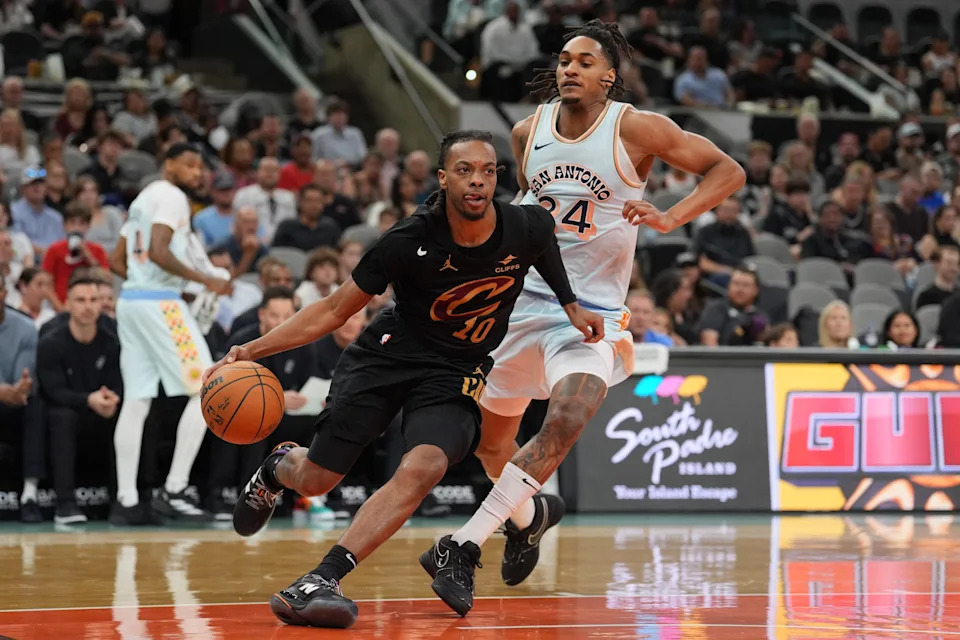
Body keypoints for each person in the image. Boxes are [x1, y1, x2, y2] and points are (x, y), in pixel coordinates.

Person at [202, 130, 602, 629]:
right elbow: (331, 310)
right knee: (319, 478)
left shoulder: (528, 225)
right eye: (464, 171)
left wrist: (571, 304)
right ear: (443, 178)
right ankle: (278, 468)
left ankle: (321, 578)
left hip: (455, 370)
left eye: (487, 171)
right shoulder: (407, 240)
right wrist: (249, 350)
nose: (477, 181)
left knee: (427, 463)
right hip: (387, 358)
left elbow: (545, 253)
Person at [422, 21, 745, 616]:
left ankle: (462, 546)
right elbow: (530, 214)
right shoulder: (528, 131)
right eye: (564, 60)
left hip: (590, 312)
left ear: (608, 76)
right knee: (494, 446)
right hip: (521, 304)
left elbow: (728, 171)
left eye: (584, 61)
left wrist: (672, 218)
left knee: (568, 414)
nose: (569, 69)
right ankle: (531, 516)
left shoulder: (636, 127)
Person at [108, 143, 232, 525]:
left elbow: (117, 261)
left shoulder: (143, 198)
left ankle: (126, 501)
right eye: (189, 165)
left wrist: (153, 280)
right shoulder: (173, 197)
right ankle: (174, 490)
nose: (197, 173)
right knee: (207, 388)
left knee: (137, 400)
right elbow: (160, 251)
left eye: (200, 168)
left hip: (130, 302)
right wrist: (204, 279)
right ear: (169, 165)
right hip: (161, 304)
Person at [205, 286, 315, 519]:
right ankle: (229, 495)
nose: (281, 322)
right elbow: (231, 391)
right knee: (253, 421)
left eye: (287, 316)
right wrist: (279, 399)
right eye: (275, 315)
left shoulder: (302, 344)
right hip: (243, 411)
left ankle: (308, 496)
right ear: (261, 314)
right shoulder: (242, 342)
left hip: (287, 415)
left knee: (320, 423)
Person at [37, 275, 121, 524]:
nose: (88, 306)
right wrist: (88, 400)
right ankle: (65, 504)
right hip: (68, 410)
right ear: (68, 304)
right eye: (81, 300)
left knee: (130, 414)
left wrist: (112, 399)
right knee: (62, 417)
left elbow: (120, 382)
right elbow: (53, 391)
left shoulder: (113, 339)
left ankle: (125, 500)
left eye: (94, 299)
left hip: (102, 410)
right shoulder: (51, 342)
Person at [0, 273, 42, 522]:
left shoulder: (25, 328)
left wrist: (20, 389)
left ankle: (29, 494)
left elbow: (23, 377)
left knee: (37, 407)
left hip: (13, 403)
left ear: (4, 293)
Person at [42, 201, 110, 305]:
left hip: (90, 305)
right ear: (65, 225)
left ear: (88, 226)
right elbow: (46, 283)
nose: (77, 228)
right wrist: (60, 309)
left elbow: (107, 280)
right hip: (61, 305)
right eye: (72, 222)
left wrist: (89, 257)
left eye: (82, 223)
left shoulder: (97, 250)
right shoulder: (54, 249)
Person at [698, 265, 769, 346]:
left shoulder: (760, 316)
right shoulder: (716, 309)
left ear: (756, 290)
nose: (740, 289)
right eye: (736, 284)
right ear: (728, 286)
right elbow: (710, 344)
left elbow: (768, 344)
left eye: (746, 285)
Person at [233, 157, 297, 241]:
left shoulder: (289, 197)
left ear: (280, 174)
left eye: (273, 170)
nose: (269, 173)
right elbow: (237, 226)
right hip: (252, 244)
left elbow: (292, 226)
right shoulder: (243, 195)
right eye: (266, 169)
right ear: (257, 172)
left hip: (282, 246)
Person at [11, 166, 64, 258]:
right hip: (25, 262)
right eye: (32, 184)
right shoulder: (13, 212)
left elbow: (62, 244)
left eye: (41, 183)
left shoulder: (56, 217)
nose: (37, 187)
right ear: (23, 188)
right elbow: (16, 243)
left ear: (46, 188)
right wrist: (47, 252)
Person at [272, 184, 343, 252]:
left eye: (318, 200)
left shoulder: (330, 227)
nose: (314, 205)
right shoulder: (287, 227)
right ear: (300, 202)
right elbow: (277, 254)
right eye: (309, 200)